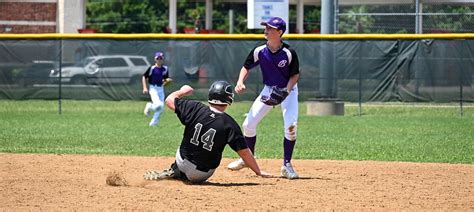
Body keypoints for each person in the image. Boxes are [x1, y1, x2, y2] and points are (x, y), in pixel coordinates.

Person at [143, 81, 271, 183]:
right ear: (228, 99)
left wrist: (183, 91)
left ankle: (175, 170)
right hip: (200, 174)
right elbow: (244, 153)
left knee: (187, 143)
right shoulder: (230, 124)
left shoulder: (195, 108)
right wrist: (258, 171)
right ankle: (178, 173)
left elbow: (169, 100)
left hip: (181, 161)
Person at [226, 17, 301, 180]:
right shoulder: (260, 51)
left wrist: (286, 92)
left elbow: (295, 75)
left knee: (291, 127)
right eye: (266, 27)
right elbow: (246, 66)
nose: (266, 30)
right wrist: (240, 82)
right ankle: (248, 158)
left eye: (270, 28)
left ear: (280, 32)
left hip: (289, 90)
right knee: (248, 124)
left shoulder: (288, 53)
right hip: (269, 89)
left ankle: (286, 165)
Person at [142, 52, 172, 126]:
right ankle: (149, 106)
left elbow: (165, 79)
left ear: (162, 59)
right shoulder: (152, 68)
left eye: (160, 58)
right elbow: (144, 77)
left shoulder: (165, 69)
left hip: (160, 88)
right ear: (155, 59)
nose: (159, 60)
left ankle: (153, 123)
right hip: (153, 88)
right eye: (157, 58)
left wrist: (167, 81)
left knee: (161, 107)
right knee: (158, 104)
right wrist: (145, 87)